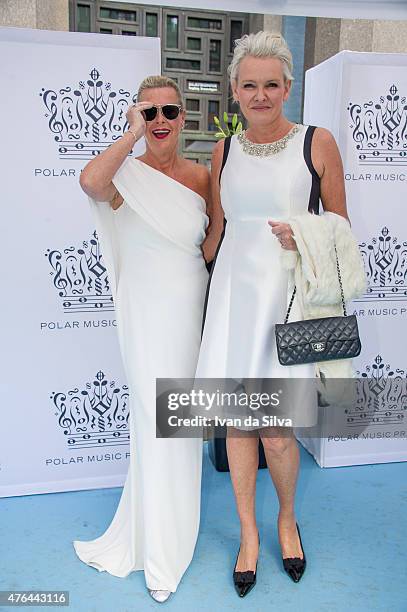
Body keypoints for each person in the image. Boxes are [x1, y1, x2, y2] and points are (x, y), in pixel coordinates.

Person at [195, 31, 351, 596]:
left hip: (288, 304)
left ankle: (286, 521)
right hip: (235, 302)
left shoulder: (317, 142)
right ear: (234, 91)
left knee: (279, 434)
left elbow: (342, 225)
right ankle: (247, 535)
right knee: (238, 426)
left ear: (288, 87)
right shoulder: (223, 151)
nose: (261, 95)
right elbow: (216, 232)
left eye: (272, 85)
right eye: (249, 85)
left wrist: (305, 236)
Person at [73, 75, 210, 603]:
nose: (159, 122)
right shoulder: (122, 177)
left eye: (169, 112)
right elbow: (89, 182)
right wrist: (129, 136)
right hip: (145, 313)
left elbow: (213, 237)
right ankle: (155, 544)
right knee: (153, 421)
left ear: (183, 118)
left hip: (189, 310)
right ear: (137, 117)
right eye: (148, 113)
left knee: (180, 423)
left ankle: (173, 534)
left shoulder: (201, 177)